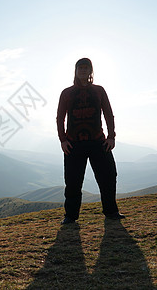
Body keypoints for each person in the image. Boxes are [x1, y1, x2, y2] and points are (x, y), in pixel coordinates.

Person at [56, 57, 125, 224]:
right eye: (80, 68)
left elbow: (109, 113)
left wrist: (111, 137)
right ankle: (70, 216)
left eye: (86, 68)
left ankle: (111, 212)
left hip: (98, 142)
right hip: (73, 143)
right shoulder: (66, 93)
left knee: (108, 177)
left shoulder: (99, 91)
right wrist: (63, 140)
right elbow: (60, 118)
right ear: (76, 71)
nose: (83, 71)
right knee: (73, 181)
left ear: (91, 71)